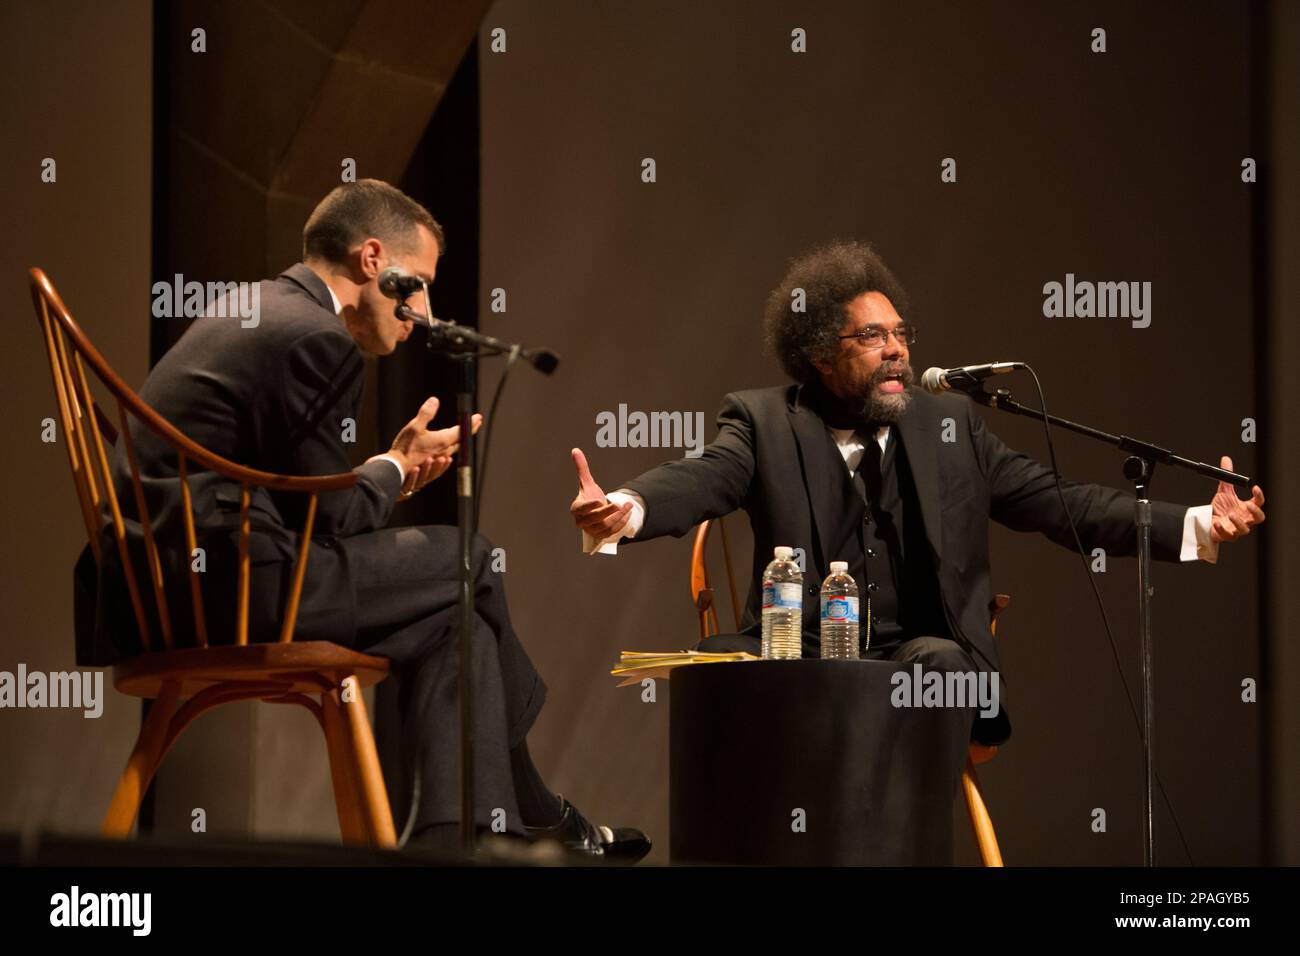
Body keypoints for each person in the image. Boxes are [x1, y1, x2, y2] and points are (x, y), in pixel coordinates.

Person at [76, 179, 649, 861]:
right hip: (229, 588)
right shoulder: (317, 337)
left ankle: (472, 835)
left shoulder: (260, 307)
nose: (428, 315)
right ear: (374, 260)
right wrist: (395, 468)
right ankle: (528, 814)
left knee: (454, 620)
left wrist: (390, 469)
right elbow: (328, 520)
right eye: (423, 286)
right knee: (471, 557)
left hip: (165, 589)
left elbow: (304, 500)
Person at [569, 239, 1265, 747]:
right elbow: (702, 477)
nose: (898, 349)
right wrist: (624, 509)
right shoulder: (764, 422)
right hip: (800, 652)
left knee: (941, 667)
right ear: (818, 353)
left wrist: (1200, 522)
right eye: (873, 337)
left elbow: (1065, 502)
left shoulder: (951, 426)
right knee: (723, 674)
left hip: (918, 656)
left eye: (902, 334)